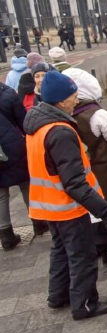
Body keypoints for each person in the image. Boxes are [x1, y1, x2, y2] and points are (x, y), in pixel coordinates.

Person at [24, 70, 107, 320]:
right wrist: (105, 210)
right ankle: (85, 304)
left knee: (60, 250)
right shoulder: (60, 131)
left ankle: (58, 296)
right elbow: (75, 183)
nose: (76, 101)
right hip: (67, 207)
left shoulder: (37, 124)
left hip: (47, 206)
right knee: (82, 255)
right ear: (60, 100)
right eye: (73, 97)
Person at [63, 68, 107, 266]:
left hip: (78, 170)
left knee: (88, 205)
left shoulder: (65, 115)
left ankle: (96, 245)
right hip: (103, 167)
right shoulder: (97, 113)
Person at [0, 78, 33, 250]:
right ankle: (39, 222)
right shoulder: (6, 93)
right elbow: (23, 120)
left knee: (1, 194)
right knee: (25, 184)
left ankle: (6, 236)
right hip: (12, 145)